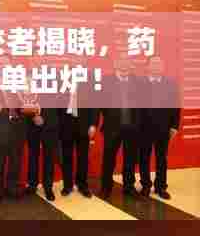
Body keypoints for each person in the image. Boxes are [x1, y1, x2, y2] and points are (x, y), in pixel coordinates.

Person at [94, 56, 142, 199]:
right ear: (115, 64)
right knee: (109, 159)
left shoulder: (136, 81)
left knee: (130, 159)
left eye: (127, 61)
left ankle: (129, 187)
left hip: (132, 128)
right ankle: (106, 187)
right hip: (112, 127)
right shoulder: (106, 81)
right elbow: (99, 103)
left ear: (130, 65)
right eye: (121, 61)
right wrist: (101, 120)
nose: (124, 64)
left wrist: (138, 124)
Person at [139, 56, 180, 200]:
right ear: (147, 66)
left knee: (161, 158)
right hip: (143, 128)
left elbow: (176, 106)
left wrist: (174, 126)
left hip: (164, 128)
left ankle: (161, 186)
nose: (157, 66)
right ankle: (145, 185)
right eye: (154, 63)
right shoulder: (140, 83)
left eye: (159, 63)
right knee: (144, 158)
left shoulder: (170, 83)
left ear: (163, 67)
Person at [0, 54, 26, 204]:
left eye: (6, 63)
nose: (3, 66)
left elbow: (27, 100)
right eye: (0, 63)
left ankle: (12, 187)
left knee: (15, 159)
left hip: (17, 126)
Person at [58, 83, 95, 199]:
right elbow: (57, 102)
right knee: (67, 157)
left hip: (83, 124)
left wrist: (93, 124)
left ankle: (82, 185)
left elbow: (94, 103)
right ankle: (67, 185)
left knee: (83, 157)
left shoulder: (88, 81)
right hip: (66, 124)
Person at [24, 108, 59, 202]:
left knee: (49, 157)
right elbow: (26, 101)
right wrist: (34, 116)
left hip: (50, 122)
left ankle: (48, 187)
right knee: (33, 155)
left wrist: (44, 118)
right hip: (32, 123)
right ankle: (32, 184)